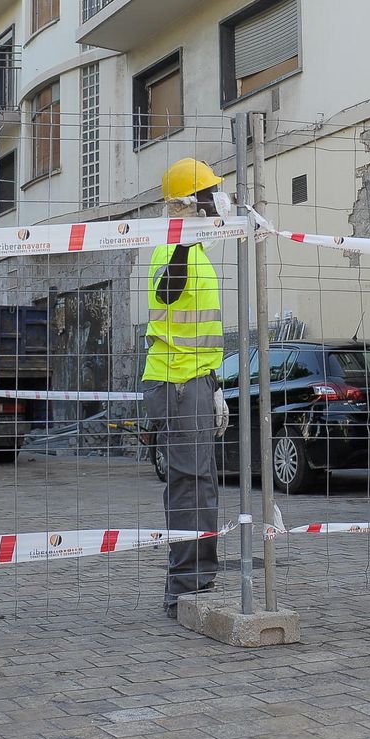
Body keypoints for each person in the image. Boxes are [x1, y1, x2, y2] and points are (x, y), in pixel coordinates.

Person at [139, 158, 229, 618]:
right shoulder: (171, 247)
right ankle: (183, 588)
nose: (218, 201)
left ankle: (199, 580)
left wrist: (214, 385)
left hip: (194, 381)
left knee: (201, 485)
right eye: (210, 194)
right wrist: (181, 245)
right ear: (188, 204)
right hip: (175, 381)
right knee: (188, 487)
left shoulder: (197, 251)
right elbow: (167, 292)